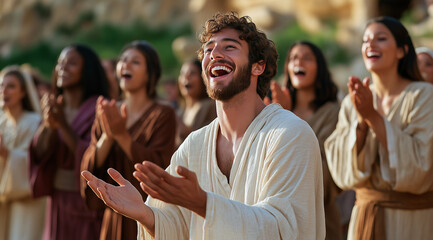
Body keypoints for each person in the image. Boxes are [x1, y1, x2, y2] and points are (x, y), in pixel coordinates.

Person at [82, 12, 325, 239]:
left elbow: (285, 229)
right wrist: (145, 214)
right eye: (209, 49)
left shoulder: (290, 135)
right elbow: (178, 226)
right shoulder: (195, 145)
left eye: (229, 47)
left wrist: (203, 204)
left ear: (257, 66)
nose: (215, 54)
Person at [325, 16, 433, 240]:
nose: (370, 45)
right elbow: (342, 172)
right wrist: (362, 122)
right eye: (365, 41)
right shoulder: (352, 101)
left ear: (402, 50)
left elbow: (421, 166)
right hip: (364, 218)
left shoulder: (424, 96)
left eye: (380, 39)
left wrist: (373, 116)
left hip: (412, 222)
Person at [80, 41, 177, 240]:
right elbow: (90, 164)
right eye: (123, 60)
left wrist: (122, 136)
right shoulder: (107, 112)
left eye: (135, 62)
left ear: (150, 73)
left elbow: (159, 164)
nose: (126, 65)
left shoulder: (162, 114)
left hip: (146, 212)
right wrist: (108, 135)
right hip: (113, 214)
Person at [29, 44, 109, 240]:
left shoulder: (99, 108)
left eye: (72, 63)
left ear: (87, 70)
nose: (63, 68)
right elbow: (39, 153)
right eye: (60, 63)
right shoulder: (56, 105)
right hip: (57, 200)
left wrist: (63, 125)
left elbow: (91, 157)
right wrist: (49, 124)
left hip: (85, 201)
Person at [266, 41, 342, 240]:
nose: (298, 61)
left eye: (307, 57)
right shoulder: (274, 111)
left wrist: (286, 116)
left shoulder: (332, 113)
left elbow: (327, 173)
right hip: (277, 218)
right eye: (293, 58)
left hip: (319, 219)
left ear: (320, 68)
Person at [0, 66, 45, 240]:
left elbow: (37, 162)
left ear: (23, 92)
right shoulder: (1, 121)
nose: (4, 90)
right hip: (3, 199)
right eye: (2, 85)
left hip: (27, 199)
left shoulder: (34, 123)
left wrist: (6, 153)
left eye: (11, 86)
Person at [176, 59, 216, 146]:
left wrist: (183, 129)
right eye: (183, 74)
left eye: (192, 73)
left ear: (203, 78)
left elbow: (207, 140)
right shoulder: (181, 110)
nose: (186, 78)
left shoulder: (210, 105)